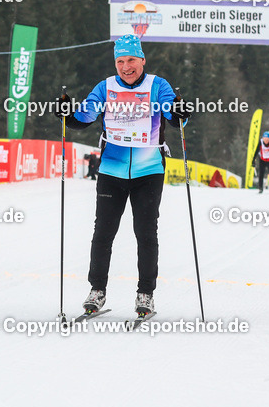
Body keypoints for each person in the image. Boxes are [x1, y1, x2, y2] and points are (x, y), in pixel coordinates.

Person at [55, 34, 190, 318]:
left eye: (131, 60)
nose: (126, 67)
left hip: (149, 171)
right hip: (111, 170)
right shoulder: (106, 87)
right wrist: (67, 113)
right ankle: (97, 290)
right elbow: (83, 118)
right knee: (103, 233)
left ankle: (145, 294)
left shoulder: (158, 86)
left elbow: (174, 115)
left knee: (146, 233)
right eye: (120, 61)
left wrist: (179, 110)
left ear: (142, 60)